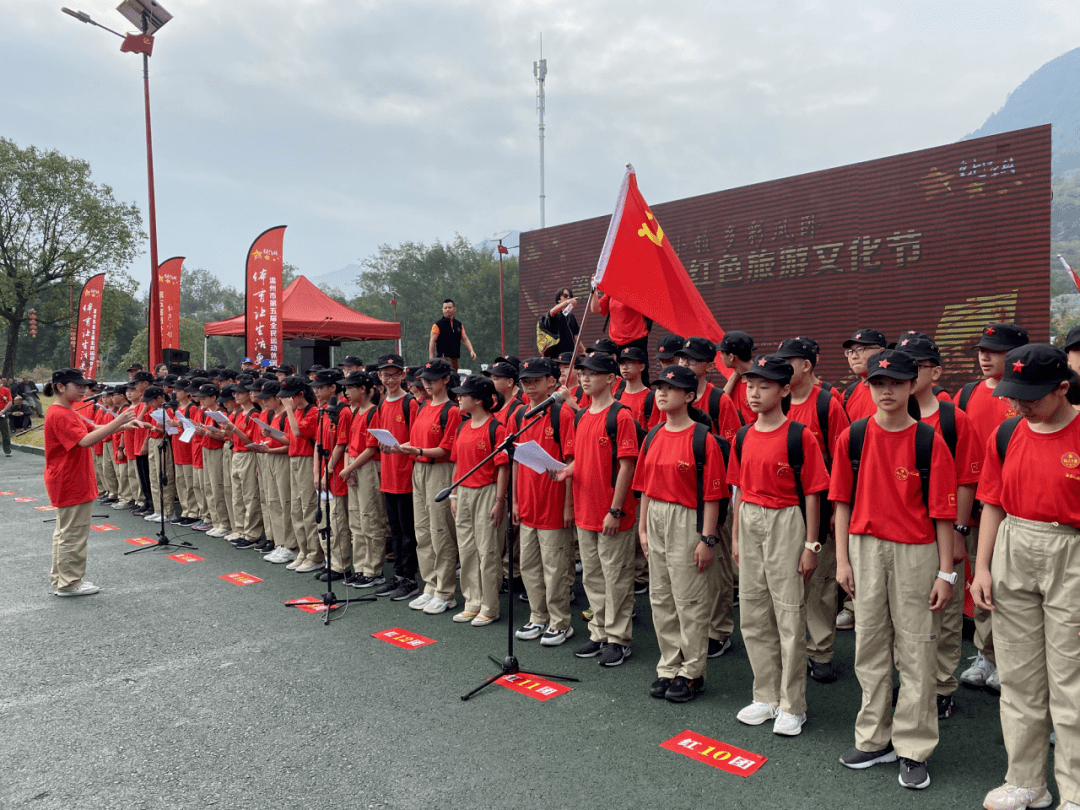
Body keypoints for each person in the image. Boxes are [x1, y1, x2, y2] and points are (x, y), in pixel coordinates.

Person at [831, 349, 957, 791]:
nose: (887, 391)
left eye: (896, 383)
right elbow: (841, 502)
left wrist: (946, 573)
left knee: (918, 649)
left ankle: (914, 747)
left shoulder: (928, 440)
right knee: (869, 645)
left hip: (916, 552)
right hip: (864, 549)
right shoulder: (854, 436)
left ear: (911, 386)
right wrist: (842, 559)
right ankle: (872, 738)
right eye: (878, 383)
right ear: (868, 386)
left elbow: (943, 513)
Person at [970, 344, 1080, 810]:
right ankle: (1026, 781)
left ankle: (1074, 791)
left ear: (1061, 388)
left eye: (1030, 397)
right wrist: (981, 567)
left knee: (1070, 679)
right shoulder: (1008, 431)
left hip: (1070, 550)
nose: (1019, 405)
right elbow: (992, 500)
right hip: (1013, 544)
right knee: (1018, 677)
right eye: (1015, 396)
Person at [729, 355, 829, 736]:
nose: (754, 393)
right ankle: (765, 696)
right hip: (750, 518)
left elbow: (815, 493)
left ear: (785, 389)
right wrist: (736, 536)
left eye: (764, 386)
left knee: (788, 614)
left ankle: (792, 705)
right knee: (754, 613)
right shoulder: (742, 435)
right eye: (750, 385)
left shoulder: (798, 436)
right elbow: (738, 491)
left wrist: (811, 545)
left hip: (787, 520)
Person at [634, 364, 727, 701]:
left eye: (670, 388)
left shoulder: (703, 439)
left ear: (689, 395)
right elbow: (644, 486)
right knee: (661, 597)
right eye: (659, 386)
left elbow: (712, 495)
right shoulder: (654, 434)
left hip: (689, 519)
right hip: (655, 516)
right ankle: (669, 665)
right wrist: (643, 528)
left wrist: (707, 539)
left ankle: (692, 671)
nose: (661, 392)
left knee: (689, 599)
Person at [956, 322, 1029, 693]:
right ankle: (986, 653)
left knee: (1015, 588)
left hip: (1018, 509)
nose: (985, 356)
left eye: (995, 351)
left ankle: (1010, 658)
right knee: (981, 580)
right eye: (982, 350)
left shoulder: (1030, 396)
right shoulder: (966, 394)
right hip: (980, 506)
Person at [556, 352, 639, 667]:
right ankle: (600, 632)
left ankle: (619, 639)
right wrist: (566, 471)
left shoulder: (621, 416)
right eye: (583, 372)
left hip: (611, 513)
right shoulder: (581, 416)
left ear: (610, 378)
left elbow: (627, 466)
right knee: (592, 577)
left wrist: (615, 510)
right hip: (585, 510)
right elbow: (581, 457)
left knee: (615, 577)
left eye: (593, 372)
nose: (585, 377)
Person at [776, 336, 850, 684]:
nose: (783, 368)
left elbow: (843, 461)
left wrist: (837, 508)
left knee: (819, 582)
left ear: (807, 366)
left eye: (789, 361)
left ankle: (820, 652)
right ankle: (786, 648)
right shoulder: (778, 402)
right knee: (782, 581)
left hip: (818, 505)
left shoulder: (826, 404)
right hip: (781, 506)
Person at [44, 368, 135, 596]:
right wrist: (119, 421)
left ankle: (63, 579)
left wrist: (123, 425)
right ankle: (68, 582)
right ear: (61, 387)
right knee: (72, 534)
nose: (84, 390)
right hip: (69, 480)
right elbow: (84, 440)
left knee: (66, 533)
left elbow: (92, 428)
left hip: (71, 478)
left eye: (84, 386)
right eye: (78, 386)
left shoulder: (66, 410)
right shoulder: (60, 413)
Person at [513, 358, 577, 646]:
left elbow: (572, 462)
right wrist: (515, 500)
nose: (529, 384)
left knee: (555, 568)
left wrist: (568, 506)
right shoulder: (519, 415)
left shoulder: (561, 414)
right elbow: (515, 458)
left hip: (553, 503)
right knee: (528, 565)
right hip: (527, 505)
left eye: (536, 379)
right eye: (525, 380)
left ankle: (560, 621)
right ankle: (537, 617)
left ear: (552, 381)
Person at [397, 359, 460, 615]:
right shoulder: (423, 406)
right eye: (425, 379)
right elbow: (418, 438)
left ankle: (445, 591)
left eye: (433, 379)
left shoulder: (452, 410)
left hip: (438, 470)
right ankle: (430, 585)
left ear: (446, 379)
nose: (427, 383)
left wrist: (418, 450)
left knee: (440, 531)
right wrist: (399, 446)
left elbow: (446, 449)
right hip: (419, 468)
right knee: (422, 531)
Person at [449, 374, 509, 626]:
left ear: (479, 399)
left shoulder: (497, 428)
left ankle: (489, 605)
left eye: (463, 394)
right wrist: (453, 493)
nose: (459, 398)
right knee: (467, 549)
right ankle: (471, 601)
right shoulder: (462, 426)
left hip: (487, 491)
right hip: (462, 492)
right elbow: (457, 463)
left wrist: (500, 500)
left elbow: (503, 467)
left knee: (488, 550)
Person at [368, 354, 421, 601]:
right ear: (379, 377)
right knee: (396, 530)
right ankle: (399, 575)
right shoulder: (381, 404)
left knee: (407, 530)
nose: (389, 379)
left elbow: (418, 440)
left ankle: (409, 578)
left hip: (406, 474)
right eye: (385, 375)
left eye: (394, 374)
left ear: (403, 375)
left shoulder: (409, 403)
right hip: (388, 475)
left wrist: (399, 447)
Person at [719, 330, 757, 426]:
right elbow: (720, 404)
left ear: (731, 357)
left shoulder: (760, 381)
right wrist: (735, 375)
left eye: (722, 353)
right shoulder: (736, 379)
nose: (720, 356)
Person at [428, 299, 477, 370]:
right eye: (445, 308)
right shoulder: (437, 325)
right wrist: (431, 358)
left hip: (455, 357)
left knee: (454, 377)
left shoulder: (458, 324)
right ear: (442, 310)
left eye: (449, 307)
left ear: (454, 309)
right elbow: (432, 341)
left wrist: (471, 350)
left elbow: (465, 339)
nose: (447, 310)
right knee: (446, 376)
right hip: (443, 357)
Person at [547, 287, 581, 357]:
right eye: (565, 296)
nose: (569, 298)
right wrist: (567, 302)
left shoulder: (571, 315)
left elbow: (576, 337)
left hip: (570, 355)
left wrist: (584, 351)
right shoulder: (555, 313)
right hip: (557, 356)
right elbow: (552, 312)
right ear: (558, 299)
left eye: (570, 296)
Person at [1, 376, 14, 457]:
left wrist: (3, 411)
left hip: (2, 413)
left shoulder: (5, 390)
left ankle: (7, 450)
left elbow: (10, 402)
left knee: (5, 433)